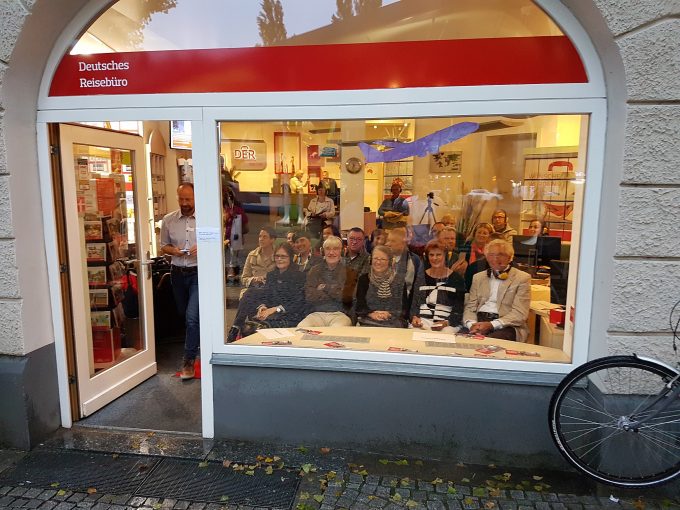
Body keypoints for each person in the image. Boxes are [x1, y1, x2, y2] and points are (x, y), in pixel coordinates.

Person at [160, 183, 199, 380]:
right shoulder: (168, 220)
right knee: (184, 314)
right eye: (181, 199)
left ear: (195, 198)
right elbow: (163, 246)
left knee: (192, 317)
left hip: (198, 273)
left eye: (188, 199)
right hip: (177, 272)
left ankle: (188, 360)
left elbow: (219, 241)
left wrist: (201, 247)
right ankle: (197, 341)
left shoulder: (205, 218)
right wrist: (173, 250)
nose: (184, 203)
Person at [229, 243, 307, 340]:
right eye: (277, 256)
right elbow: (266, 296)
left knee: (250, 329)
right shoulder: (271, 275)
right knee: (250, 293)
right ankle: (236, 326)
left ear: (290, 258)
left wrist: (274, 309)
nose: (279, 259)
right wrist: (262, 307)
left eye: (283, 256)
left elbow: (297, 303)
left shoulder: (299, 276)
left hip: (289, 315)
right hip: (271, 314)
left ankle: (235, 329)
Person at [463, 239, 531, 341]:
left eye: (501, 254)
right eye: (491, 254)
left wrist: (492, 325)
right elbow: (470, 307)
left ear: (510, 257)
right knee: (461, 339)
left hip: (506, 324)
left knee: (489, 343)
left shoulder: (522, 278)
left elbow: (520, 313)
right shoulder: (478, 277)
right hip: (478, 320)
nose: (495, 258)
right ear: (486, 257)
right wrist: (472, 325)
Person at [298, 236, 356, 327]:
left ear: (342, 251)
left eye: (336, 249)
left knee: (336, 330)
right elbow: (309, 296)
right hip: (316, 313)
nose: (331, 252)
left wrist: (324, 287)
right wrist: (335, 290)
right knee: (301, 328)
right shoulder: (314, 270)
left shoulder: (350, 272)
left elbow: (346, 297)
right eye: (328, 249)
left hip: (340, 314)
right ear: (323, 251)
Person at [410, 239, 465, 333]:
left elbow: (458, 309)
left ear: (445, 256)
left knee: (445, 333)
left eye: (438, 255)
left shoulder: (457, 279)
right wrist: (415, 317)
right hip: (423, 320)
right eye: (431, 255)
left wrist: (446, 322)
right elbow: (414, 304)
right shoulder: (420, 277)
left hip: (447, 323)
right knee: (414, 331)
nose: (434, 258)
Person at [355, 246, 406, 328]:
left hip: (392, 320)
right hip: (369, 319)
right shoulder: (364, 279)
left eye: (382, 259)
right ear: (370, 260)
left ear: (390, 262)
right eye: (375, 258)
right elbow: (360, 305)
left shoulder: (399, 281)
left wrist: (389, 314)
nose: (378, 262)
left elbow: (403, 307)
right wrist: (371, 313)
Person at [386, 227, 422, 315]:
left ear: (403, 243)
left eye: (393, 241)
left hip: (403, 307)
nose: (388, 244)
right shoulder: (382, 257)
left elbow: (411, 289)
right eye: (388, 240)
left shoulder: (413, 261)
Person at [240, 227, 277, 298]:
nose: (261, 239)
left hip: (272, 292)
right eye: (260, 236)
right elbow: (244, 278)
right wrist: (254, 279)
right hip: (254, 291)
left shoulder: (279, 255)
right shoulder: (252, 255)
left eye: (264, 237)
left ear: (272, 240)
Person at [462, 222, 494, 290]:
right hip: (469, 281)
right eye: (479, 232)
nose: (481, 235)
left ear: (489, 236)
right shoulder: (466, 246)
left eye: (485, 233)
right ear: (474, 234)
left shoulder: (492, 250)